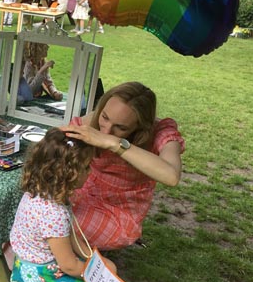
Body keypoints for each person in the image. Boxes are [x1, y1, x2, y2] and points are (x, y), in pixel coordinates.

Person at [9, 128, 128, 282]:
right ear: (67, 173)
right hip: (40, 281)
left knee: (110, 269)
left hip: (27, 269)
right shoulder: (53, 213)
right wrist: (98, 276)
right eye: (85, 168)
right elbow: (69, 266)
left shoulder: (40, 193)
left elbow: (72, 241)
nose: (89, 171)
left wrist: (99, 264)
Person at [59, 81, 185, 250]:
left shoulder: (161, 131)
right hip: (80, 195)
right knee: (34, 209)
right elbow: (57, 144)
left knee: (58, 226)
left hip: (116, 214)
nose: (106, 130)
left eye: (120, 127)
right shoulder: (95, 119)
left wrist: (114, 143)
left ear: (141, 126)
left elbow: (171, 176)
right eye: (105, 117)